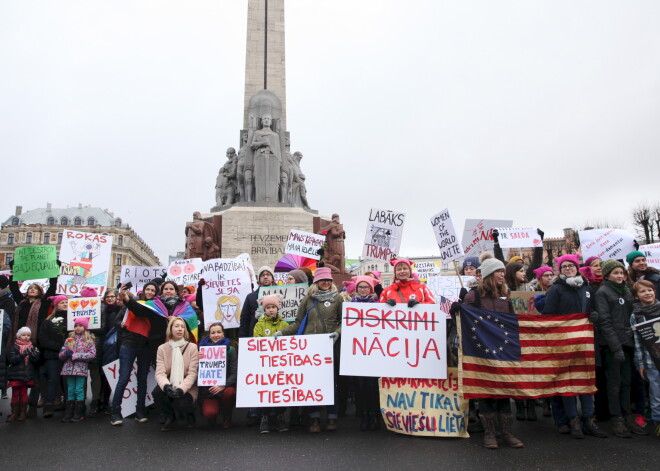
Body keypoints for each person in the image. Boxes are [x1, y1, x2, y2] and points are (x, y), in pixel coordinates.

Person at [463, 253, 524, 449]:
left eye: (503, 271)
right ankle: (489, 433)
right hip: (482, 353)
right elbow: (464, 321)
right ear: (489, 274)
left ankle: (506, 432)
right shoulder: (473, 296)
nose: (502, 274)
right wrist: (459, 308)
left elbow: (513, 322)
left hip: (503, 352)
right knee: (486, 392)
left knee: (504, 391)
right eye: (499, 271)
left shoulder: (506, 298)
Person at [542, 254, 606, 438]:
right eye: (564, 266)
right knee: (568, 383)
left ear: (577, 267)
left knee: (586, 381)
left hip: (584, 343)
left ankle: (588, 419)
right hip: (564, 344)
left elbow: (591, 308)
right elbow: (549, 315)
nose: (568, 268)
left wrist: (593, 315)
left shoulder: (586, 287)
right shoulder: (556, 289)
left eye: (571, 265)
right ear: (560, 270)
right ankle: (573, 421)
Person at [274, 267, 342, 432]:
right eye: (322, 280)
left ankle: (332, 418)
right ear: (316, 282)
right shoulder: (308, 299)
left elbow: (343, 321)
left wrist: (337, 333)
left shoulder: (338, 299)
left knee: (331, 383)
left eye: (328, 279)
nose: (326, 282)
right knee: (313, 383)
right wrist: (281, 332)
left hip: (329, 347)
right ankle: (315, 419)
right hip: (310, 349)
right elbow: (298, 323)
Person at [595, 259, 648, 437]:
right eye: (615, 273)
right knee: (615, 384)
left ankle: (628, 416)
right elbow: (605, 322)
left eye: (621, 273)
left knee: (627, 383)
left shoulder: (626, 290)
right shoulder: (603, 292)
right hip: (612, 345)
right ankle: (616, 418)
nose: (619, 276)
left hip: (628, 342)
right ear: (608, 275)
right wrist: (615, 347)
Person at [112, 281, 161, 425]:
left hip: (145, 345)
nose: (150, 292)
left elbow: (140, 311)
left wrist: (128, 300)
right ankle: (115, 412)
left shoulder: (155, 307)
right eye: (148, 289)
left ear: (156, 293)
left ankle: (140, 411)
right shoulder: (132, 302)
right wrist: (122, 326)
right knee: (124, 378)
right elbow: (117, 320)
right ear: (144, 290)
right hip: (129, 343)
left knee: (142, 379)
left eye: (153, 290)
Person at [154, 317, 199, 432]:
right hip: (170, 381)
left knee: (182, 402)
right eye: (176, 326)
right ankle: (171, 417)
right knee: (157, 393)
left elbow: (192, 374)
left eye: (182, 327)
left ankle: (190, 414)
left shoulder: (192, 347)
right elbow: (160, 373)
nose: (180, 329)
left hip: (187, 385)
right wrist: (166, 386)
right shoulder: (162, 348)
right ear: (170, 329)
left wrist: (181, 389)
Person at [254, 294, 290, 433]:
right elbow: (256, 342)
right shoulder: (259, 325)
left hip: (281, 364)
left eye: (273, 307)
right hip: (265, 364)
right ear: (264, 309)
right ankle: (266, 417)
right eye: (268, 307)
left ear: (278, 308)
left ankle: (280, 416)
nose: (270, 310)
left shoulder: (285, 325)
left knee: (281, 390)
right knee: (266, 391)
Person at [350, 276, 381, 431]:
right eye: (360, 287)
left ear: (371, 289)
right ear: (356, 289)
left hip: (374, 350)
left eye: (366, 287)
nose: (363, 290)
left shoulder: (378, 305)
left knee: (373, 386)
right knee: (360, 386)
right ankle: (364, 415)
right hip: (358, 351)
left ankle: (375, 415)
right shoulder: (350, 305)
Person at [630, 280, 660, 439]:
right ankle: (658, 423)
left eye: (650, 290)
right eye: (643, 291)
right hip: (651, 362)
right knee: (656, 395)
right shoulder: (636, 316)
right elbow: (637, 342)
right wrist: (640, 363)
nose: (648, 293)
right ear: (636, 296)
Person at [198, 322, 237, 429]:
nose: (216, 335)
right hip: (209, 390)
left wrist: (222, 385)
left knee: (230, 393)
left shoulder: (230, 350)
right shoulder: (202, 351)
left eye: (219, 332)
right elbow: (197, 373)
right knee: (209, 413)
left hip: (225, 387)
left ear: (223, 334)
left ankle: (227, 417)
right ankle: (213, 415)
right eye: (213, 333)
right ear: (209, 335)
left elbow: (234, 373)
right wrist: (196, 360)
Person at [59, 317, 96, 422]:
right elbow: (61, 355)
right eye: (76, 326)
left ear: (85, 327)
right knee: (70, 390)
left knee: (79, 390)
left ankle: (78, 413)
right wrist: (66, 353)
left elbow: (92, 354)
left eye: (80, 326)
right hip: (68, 369)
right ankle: (69, 412)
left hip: (80, 369)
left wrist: (77, 355)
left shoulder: (88, 341)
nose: (78, 328)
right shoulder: (69, 340)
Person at [38, 294, 69, 418]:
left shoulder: (73, 320)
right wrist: (59, 347)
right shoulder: (48, 321)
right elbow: (43, 339)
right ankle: (48, 406)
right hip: (53, 355)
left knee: (67, 382)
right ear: (56, 305)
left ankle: (68, 405)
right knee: (53, 380)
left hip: (68, 356)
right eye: (62, 303)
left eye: (67, 303)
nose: (65, 304)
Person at [6, 327, 40, 422]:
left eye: (28, 335)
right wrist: (22, 354)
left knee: (24, 393)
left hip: (26, 374)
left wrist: (35, 356)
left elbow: (35, 363)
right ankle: (14, 413)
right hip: (16, 374)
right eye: (23, 335)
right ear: (19, 336)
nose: (26, 337)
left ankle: (23, 413)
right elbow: (12, 360)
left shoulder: (32, 347)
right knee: (15, 393)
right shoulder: (14, 347)